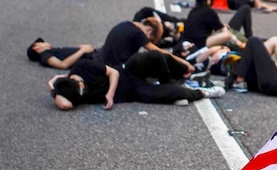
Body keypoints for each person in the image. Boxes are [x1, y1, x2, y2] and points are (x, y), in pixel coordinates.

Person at [48, 51, 224, 111]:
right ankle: (202, 92)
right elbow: (65, 104)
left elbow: (113, 73)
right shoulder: (71, 93)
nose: (84, 91)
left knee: (155, 57)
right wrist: (54, 88)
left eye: (82, 88)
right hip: (131, 91)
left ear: (77, 81)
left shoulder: (83, 66)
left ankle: (184, 72)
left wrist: (109, 95)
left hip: (125, 71)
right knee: (175, 94)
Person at [27, 38, 95, 69]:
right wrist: (82, 51)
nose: (45, 42)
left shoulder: (51, 51)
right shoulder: (45, 54)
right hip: (92, 58)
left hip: (93, 54)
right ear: (36, 47)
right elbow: (62, 65)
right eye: (41, 43)